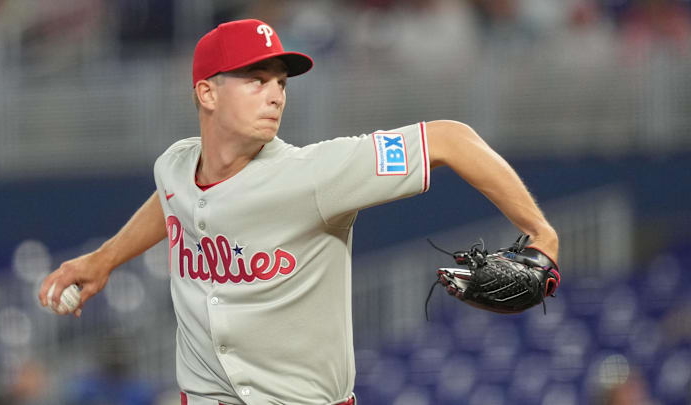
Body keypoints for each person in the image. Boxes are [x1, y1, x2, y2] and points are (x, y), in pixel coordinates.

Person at [38, 18, 559, 405]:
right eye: (256, 80)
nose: (275, 96)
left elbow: (451, 139)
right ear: (207, 92)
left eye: (281, 83)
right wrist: (105, 259)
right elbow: (173, 200)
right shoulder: (175, 164)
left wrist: (539, 233)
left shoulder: (316, 175)